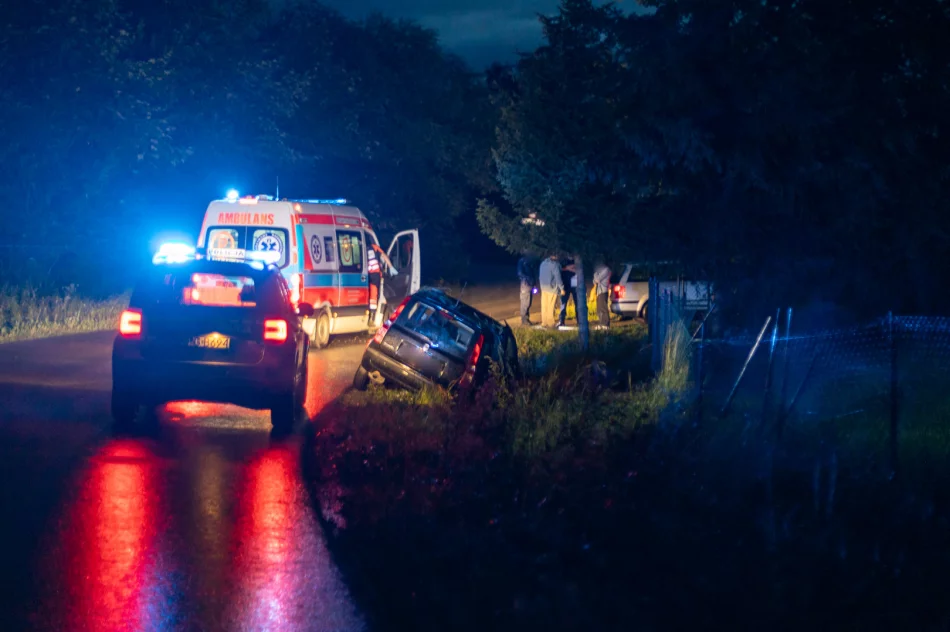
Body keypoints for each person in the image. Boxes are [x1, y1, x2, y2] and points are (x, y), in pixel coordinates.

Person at [538, 254, 563, 328]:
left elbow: (540, 276)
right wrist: (562, 288)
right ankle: (551, 323)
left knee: (544, 306)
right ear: (555, 256)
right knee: (551, 306)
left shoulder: (543, 263)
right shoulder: (555, 265)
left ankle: (544, 322)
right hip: (552, 288)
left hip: (543, 287)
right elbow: (558, 278)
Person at [517, 252, 535, 325]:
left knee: (528, 303)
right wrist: (528, 279)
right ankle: (524, 320)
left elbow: (532, 273)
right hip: (525, 285)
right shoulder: (522, 261)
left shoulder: (529, 262)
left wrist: (533, 283)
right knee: (525, 302)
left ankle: (527, 319)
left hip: (530, 284)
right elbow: (520, 273)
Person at [593, 260, 612, 328]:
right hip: (599, 291)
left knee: (603, 308)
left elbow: (597, 279)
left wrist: (595, 274)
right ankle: (601, 323)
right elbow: (594, 281)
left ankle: (605, 324)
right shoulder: (600, 270)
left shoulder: (606, 270)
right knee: (599, 309)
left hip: (603, 291)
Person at [558, 259, 576, 327]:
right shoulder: (563, 260)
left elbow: (579, 270)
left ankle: (579, 320)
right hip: (565, 285)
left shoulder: (576, 259)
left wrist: (569, 268)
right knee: (563, 304)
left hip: (574, 284)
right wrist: (568, 268)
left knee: (577, 303)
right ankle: (561, 320)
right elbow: (560, 269)